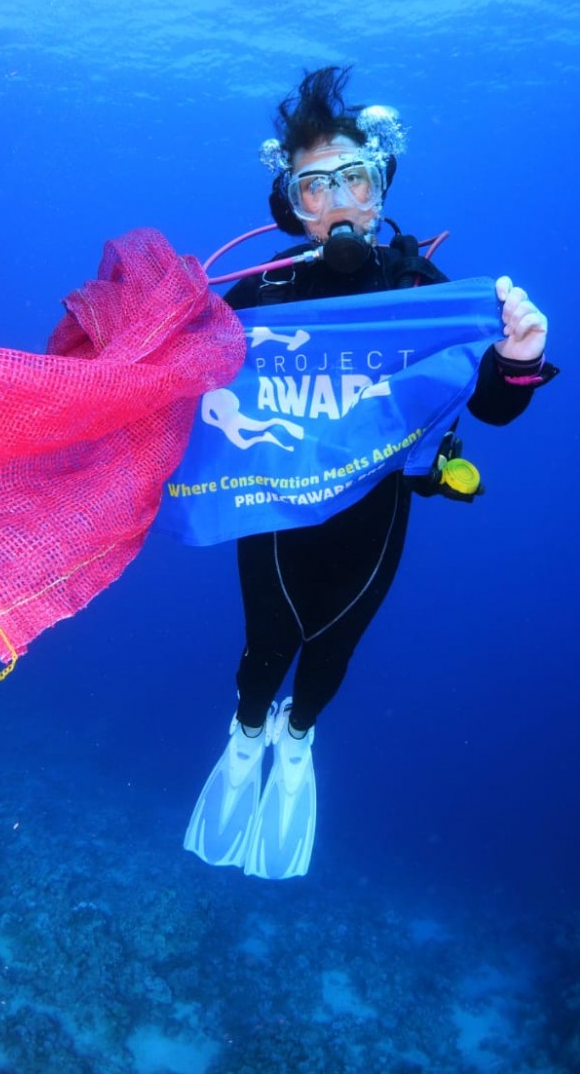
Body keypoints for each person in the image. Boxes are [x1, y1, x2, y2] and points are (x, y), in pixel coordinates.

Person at [184, 66, 557, 880]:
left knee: (333, 645)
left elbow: (491, 405)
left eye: (354, 177)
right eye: (314, 188)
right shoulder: (263, 291)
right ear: (292, 204)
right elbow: (182, 377)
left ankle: (298, 734)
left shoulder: (423, 292)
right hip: (274, 499)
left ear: (381, 184)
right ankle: (247, 734)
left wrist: (519, 356)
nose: (339, 201)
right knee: (267, 641)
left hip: (378, 503)